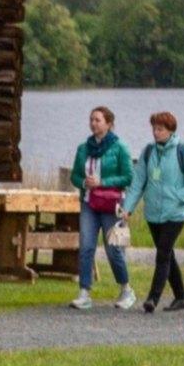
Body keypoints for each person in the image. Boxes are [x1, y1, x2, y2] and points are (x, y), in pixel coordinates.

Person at [127, 110, 184, 313]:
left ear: (170, 130)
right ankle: (181, 297)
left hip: (176, 214)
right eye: (154, 128)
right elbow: (138, 184)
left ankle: (152, 298)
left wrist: (177, 198)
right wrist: (127, 209)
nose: (155, 132)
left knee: (162, 254)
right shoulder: (148, 152)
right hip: (153, 214)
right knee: (168, 255)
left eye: (160, 129)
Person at [67, 105, 136, 311]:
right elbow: (74, 176)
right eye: (91, 119)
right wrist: (84, 183)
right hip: (89, 203)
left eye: (98, 120)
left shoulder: (120, 147)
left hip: (112, 204)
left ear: (109, 124)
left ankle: (126, 289)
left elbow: (128, 176)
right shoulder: (83, 148)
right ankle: (84, 293)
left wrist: (102, 181)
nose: (93, 123)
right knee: (86, 246)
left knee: (113, 249)